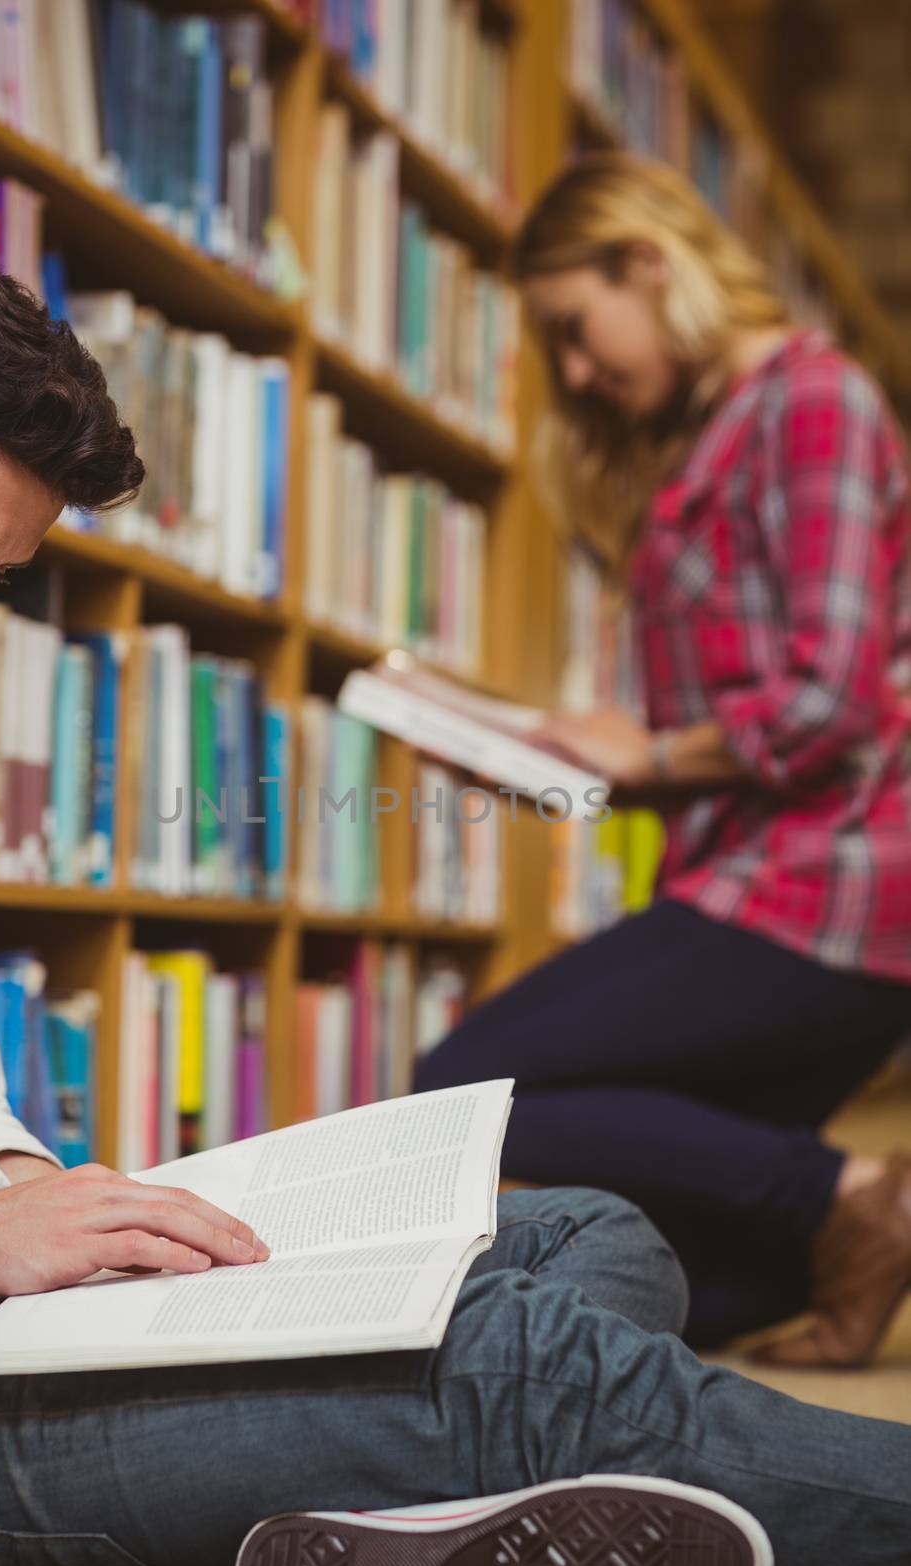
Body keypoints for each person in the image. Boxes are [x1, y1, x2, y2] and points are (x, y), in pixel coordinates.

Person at [0, 251, 911, 1566]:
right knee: (514, 1367)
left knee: (588, 1234)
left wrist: (53, 1202)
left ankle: (363, 1532)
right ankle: (424, 1473)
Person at [414, 150, 911, 1366]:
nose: (577, 373)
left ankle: (858, 1192)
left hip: (833, 880)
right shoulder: (714, 436)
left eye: (576, 329)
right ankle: (827, 1217)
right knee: (692, 1289)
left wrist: (643, 756)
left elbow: (830, 700)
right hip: (752, 874)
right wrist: (563, 755)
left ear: (647, 262)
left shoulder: (811, 398)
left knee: (461, 1080)